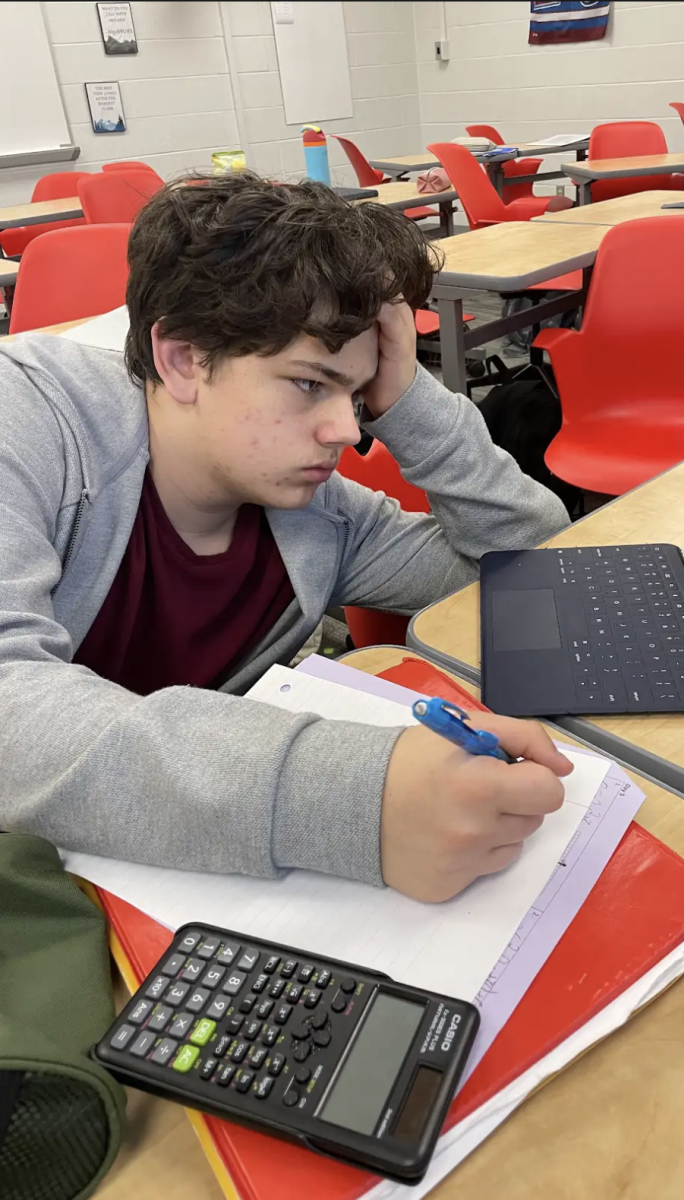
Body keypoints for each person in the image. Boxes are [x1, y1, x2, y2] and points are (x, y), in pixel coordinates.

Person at [0, 172, 571, 904]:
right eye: (309, 384)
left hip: (175, 877)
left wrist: (408, 400)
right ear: (180, 359)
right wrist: (348, 795)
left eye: (357, 393)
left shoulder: (318, 513)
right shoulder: (29, 423)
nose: (346, 431)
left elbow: (529, 567)